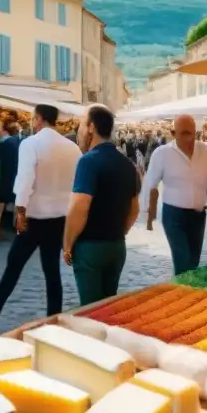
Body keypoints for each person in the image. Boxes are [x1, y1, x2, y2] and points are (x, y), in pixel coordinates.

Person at [0, 105, 81, 324]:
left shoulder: (31, 144)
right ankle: (53, 317)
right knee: (51, 270)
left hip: (35, 216)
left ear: (39, 119)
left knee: (14, 263)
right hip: (60, 216)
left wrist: (20, 211)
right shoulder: (72, 148)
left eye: (34, 118)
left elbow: (25, 181)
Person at [63, 105, 139, 306]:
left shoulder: (88, 161)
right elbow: (134, 209)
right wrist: (119, 231)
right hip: (116, 246)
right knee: (107, 307)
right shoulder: (127, 164)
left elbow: (80, 207)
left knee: (90, 310)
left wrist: (68, 244)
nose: (78, 131)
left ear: (91, 127)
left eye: (81, 124)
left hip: (90, 247)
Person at [143, 114, 207, 276]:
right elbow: (151, 184)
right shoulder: (162, 153)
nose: (190, 138)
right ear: (173, 133)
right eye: (184, 133)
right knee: (182, 263)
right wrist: (149, 215)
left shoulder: (205, 151)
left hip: (198, 216)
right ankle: (179, 295)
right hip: (174, 216)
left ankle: (188, 297)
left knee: (193, 264)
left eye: (192, 133)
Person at [0, 122, 22, 237]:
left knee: (1, 202)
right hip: (18, 175)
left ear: (5, 130)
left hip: (5, 175)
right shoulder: (22, 142)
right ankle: (17, 228)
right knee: (17, 202)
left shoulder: (1, 144)